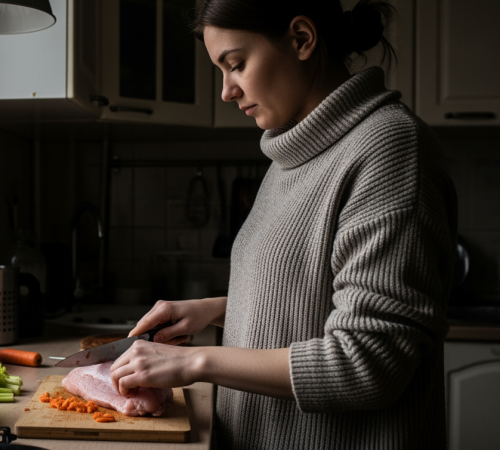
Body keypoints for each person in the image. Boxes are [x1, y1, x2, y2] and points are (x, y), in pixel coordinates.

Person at [109, 1, 457, 448]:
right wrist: (219, 310)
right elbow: (313, 290)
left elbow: (369, 362)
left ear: (301, 39)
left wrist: (194, 362)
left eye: (235, 65)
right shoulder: (294, 153)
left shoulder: (391, 149)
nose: (226, 91)